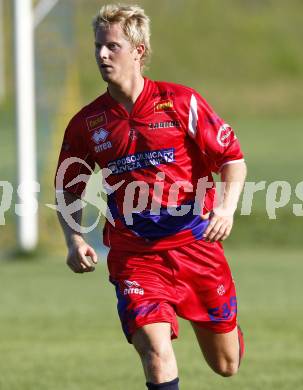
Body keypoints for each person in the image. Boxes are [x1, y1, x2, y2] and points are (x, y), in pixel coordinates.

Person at [55, 4, 247, 389]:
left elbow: (232, 159)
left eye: (112, 46)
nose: (102, 55)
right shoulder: (87, 123)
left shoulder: (181, 102)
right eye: (98, 46)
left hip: (196, 247)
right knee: (154, 350)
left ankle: (207, 316)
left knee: (227, 365)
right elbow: (68, 187)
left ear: (139, 51)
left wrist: (225, 209)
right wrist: (74, 239)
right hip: (136, 256)